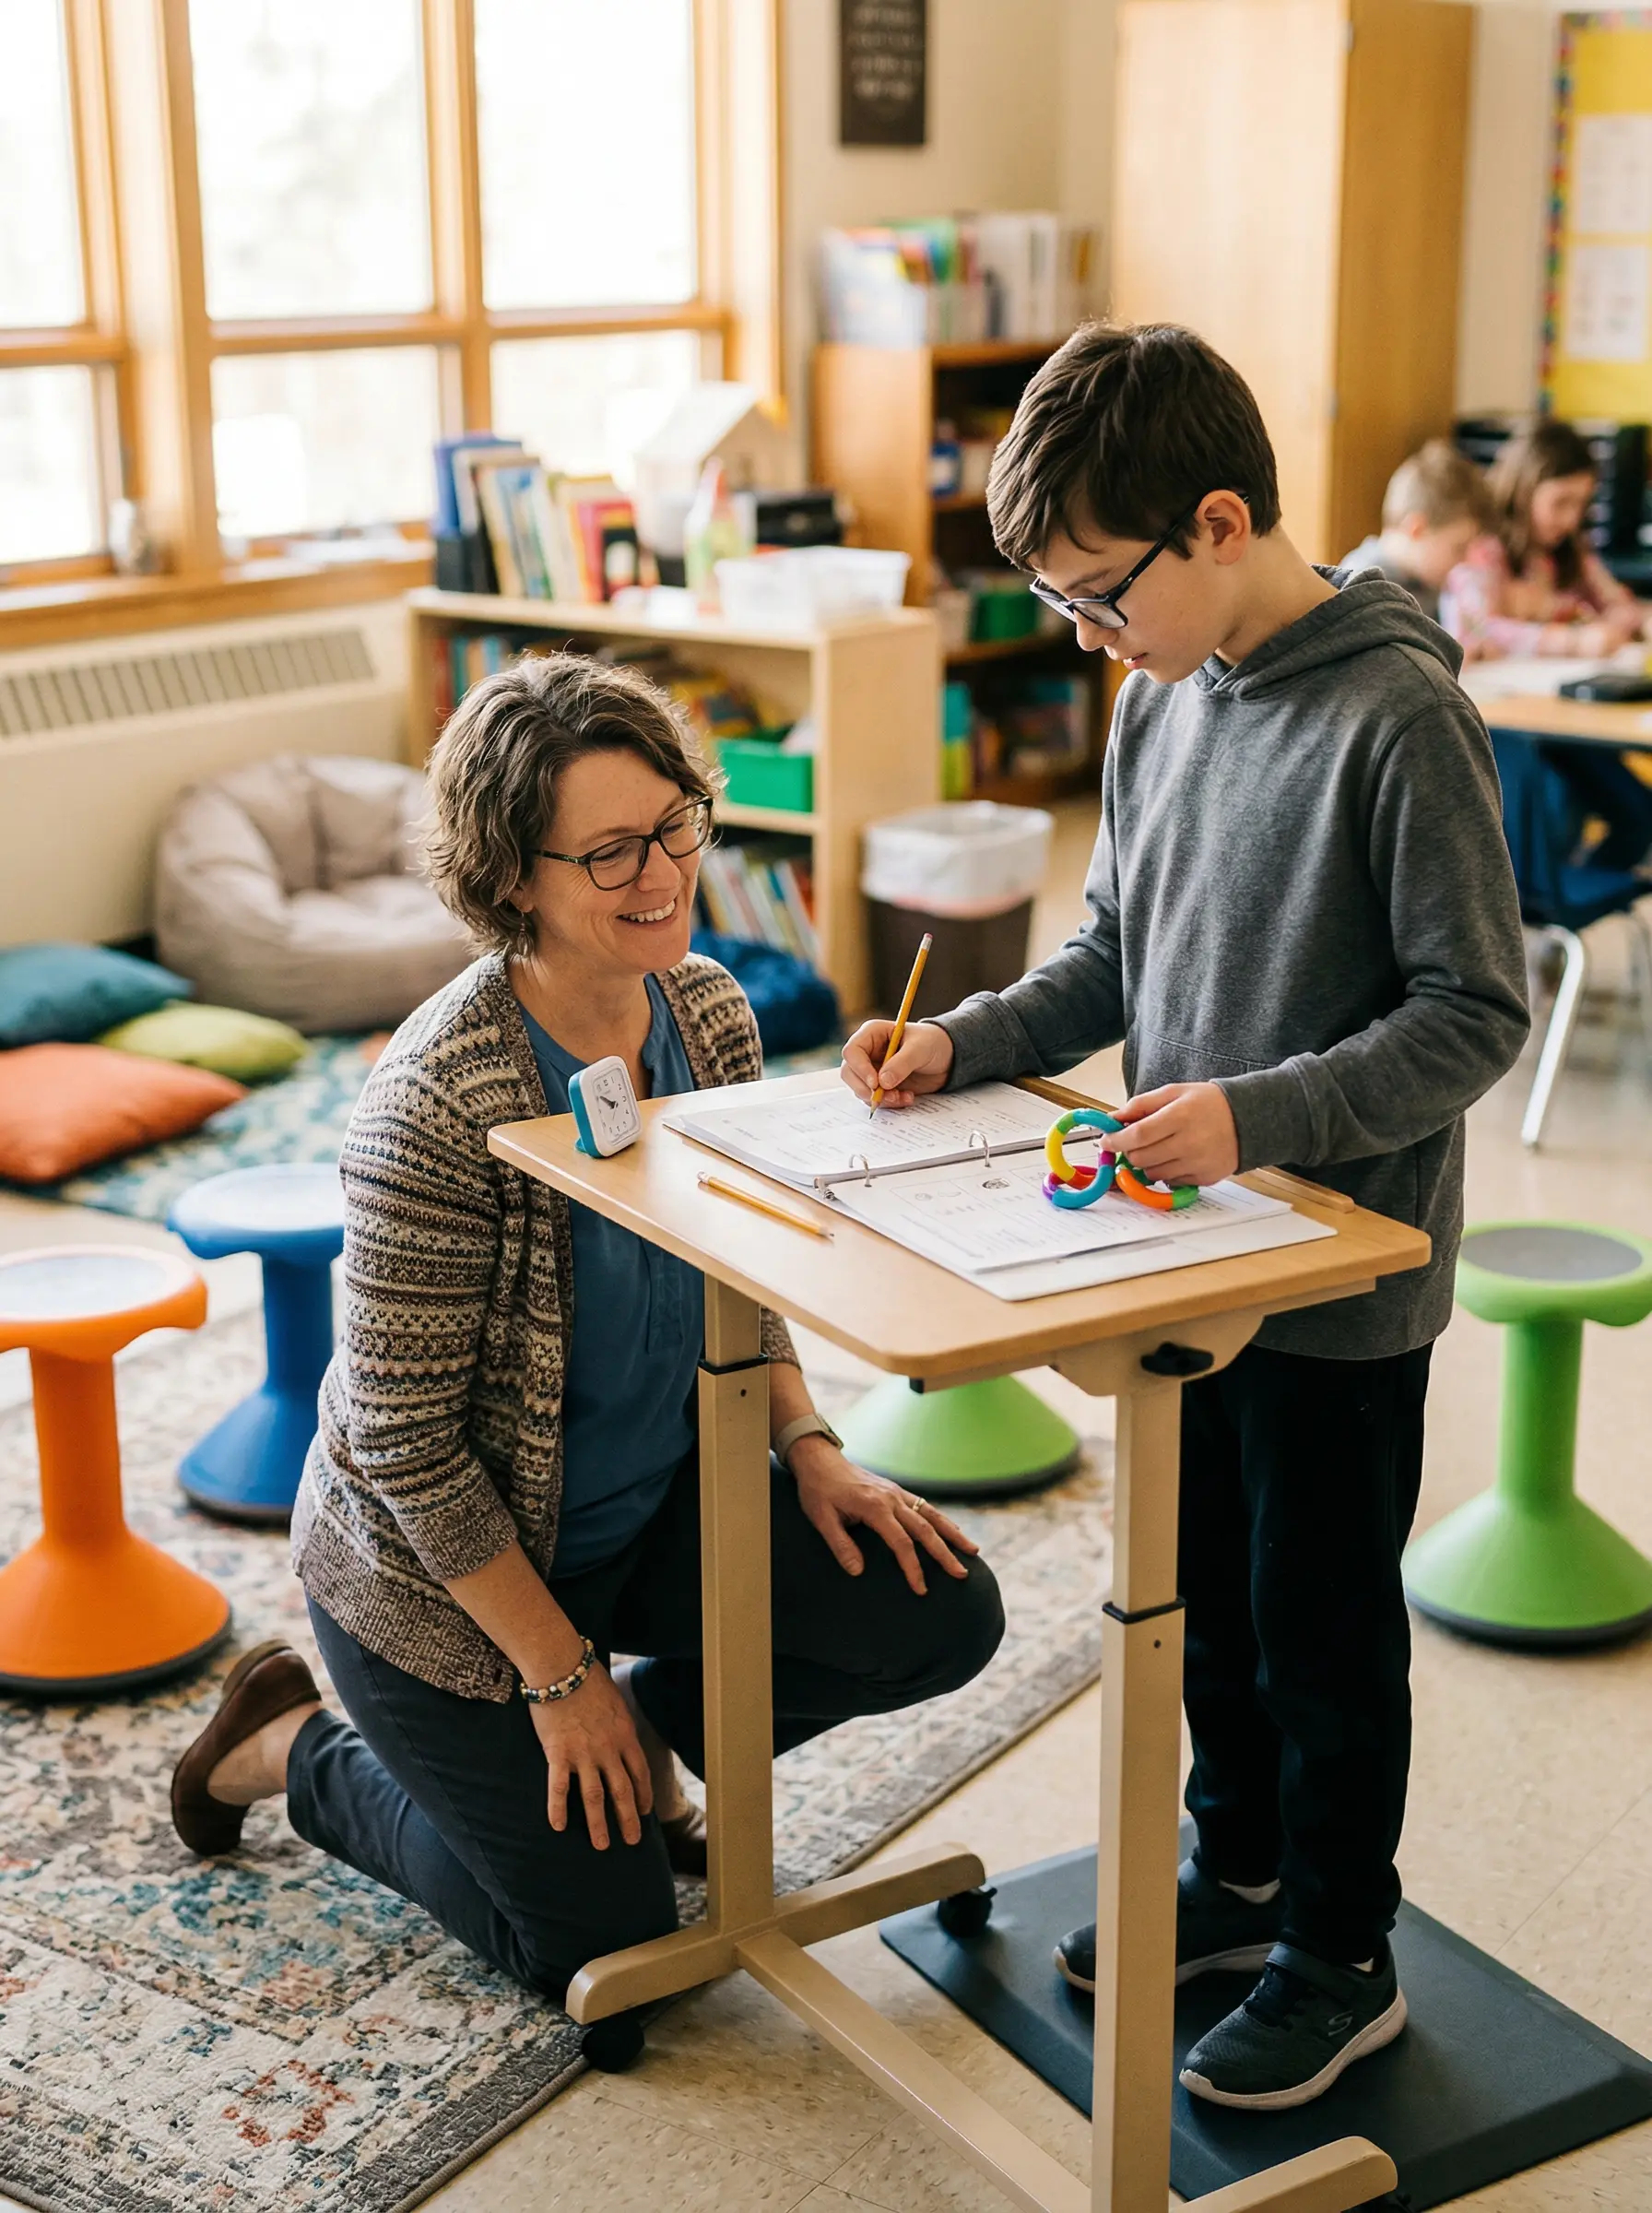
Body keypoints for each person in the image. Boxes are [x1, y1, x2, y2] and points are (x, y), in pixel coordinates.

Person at [843, 323, 1529, 2112]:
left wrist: (1259, 1116)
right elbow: (1114, 954)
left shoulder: (1395, 714)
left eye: (1095, 594)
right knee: (1202, 1604)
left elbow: (1473, 1011)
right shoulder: (1156, 701)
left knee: (1314, 1627)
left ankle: (1335, 1951)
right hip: (1183, 1253)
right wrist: (959, 1041)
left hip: (1332, 1277)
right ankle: (1233, 1879)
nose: (1083, 637)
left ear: (1215, 522)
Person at [170, 652, 1005, 2016]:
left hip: (642, 1511)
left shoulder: (712, 1013)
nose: (662, 873)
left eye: (675, 825)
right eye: (610, 851)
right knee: (611, 1952)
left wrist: (807, 1443)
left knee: (940, 1611)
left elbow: (738, 1280)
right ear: (513, 879)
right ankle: (293, 1748)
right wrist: (560, 1677)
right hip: (441, 1580)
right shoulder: (435, 1104)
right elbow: (402, 1444)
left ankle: (650, 1735)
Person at [1443, 418, 1652, 876]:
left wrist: (1607, 619)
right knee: (1550, 824)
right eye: (1561, 502)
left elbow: (1624, 607)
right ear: (1525, 488)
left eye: (1581, 504)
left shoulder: (1567, 551)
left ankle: (1583, 905)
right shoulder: (1484, 546)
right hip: (1511, 726)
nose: (1571, 518)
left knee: (1638, 813)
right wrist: (1571, 636)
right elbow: (1478, 631)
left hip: (1568, 719)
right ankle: (1550, 915)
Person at [1340, 438, 1488, 624]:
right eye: (1458, 548)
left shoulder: (1426, 582)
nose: (1465, 560)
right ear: (1417, 530)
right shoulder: (1363, 583)